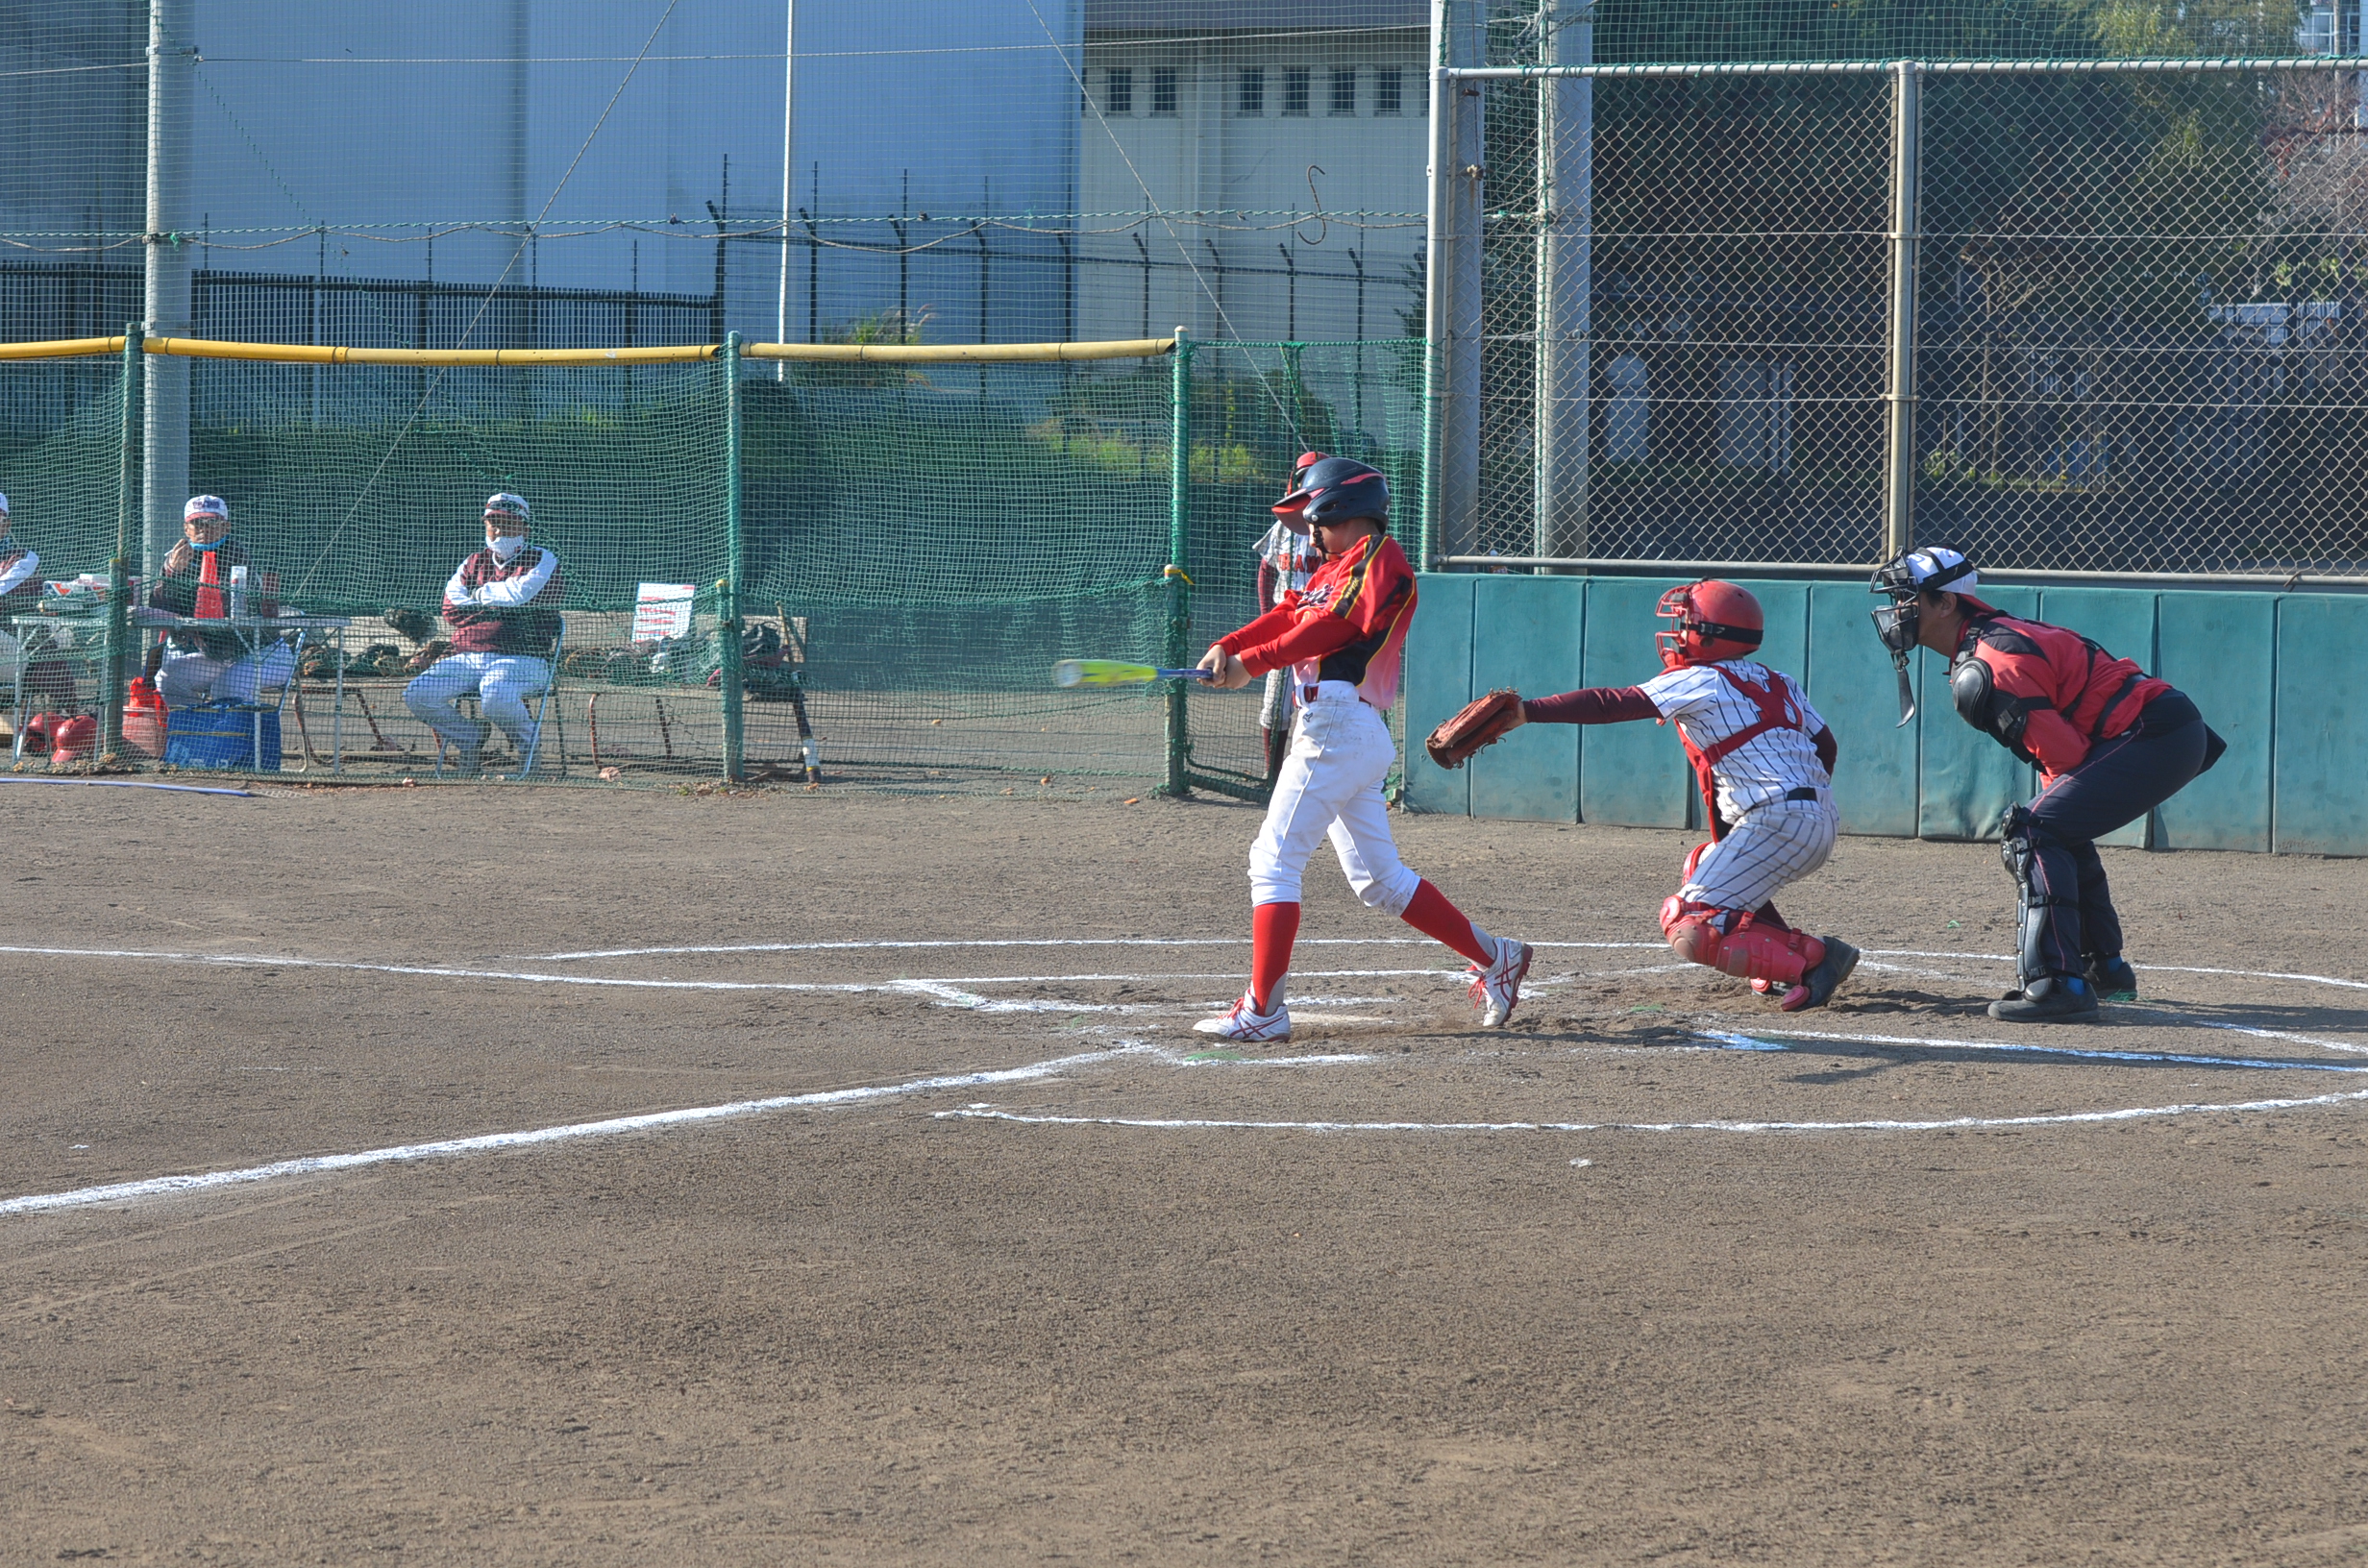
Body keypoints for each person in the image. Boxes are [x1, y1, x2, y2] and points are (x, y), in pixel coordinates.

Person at [1192, 456, 1532, 1042]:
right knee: (1380, 880)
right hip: (1343, 730)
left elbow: (1334, 628)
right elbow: (1288, 614)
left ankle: (1263, 1011)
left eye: (1315, 521)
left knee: (1273, 862)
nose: (1311, 535)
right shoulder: (1333, 569)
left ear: (1339, 506)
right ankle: (1496, 956)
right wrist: (1230, 645)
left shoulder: (1380, 556)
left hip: (1338, 726)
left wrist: (1254, 662)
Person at [1870, 546, 2225, 1023]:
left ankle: (2058, 985)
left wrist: (2045, 821)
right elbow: (2059, 759)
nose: (1896, 610)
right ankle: (2104, 970)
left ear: (1947, 603)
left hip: (2153, 734)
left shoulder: (1991, 660)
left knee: (2031, 832)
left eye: (1906, 598)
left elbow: (2065, 756)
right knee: (2055, 828)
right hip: (2164, 730)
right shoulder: (1990, 639)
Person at [1489, 580, 1860, 1012]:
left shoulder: (1700, 678)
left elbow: (1611, 703)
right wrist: (1803, 800)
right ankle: (1779, 955)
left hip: (1780, 820)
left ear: (1710, 635)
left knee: (1688, 924)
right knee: (1702, 863)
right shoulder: (1780, 681)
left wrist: (1529, 711)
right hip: (1815, 816)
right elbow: (1826, 746)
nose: (1678, 633)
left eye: (1686, 624)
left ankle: (1814, 957)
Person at [404, 492, 563, 775]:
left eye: (507, 523)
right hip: (467, 656)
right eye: (492, 523)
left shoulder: (543, 558)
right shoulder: (473, 561)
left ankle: (529, 753)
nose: (498, 530)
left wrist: (476, 597)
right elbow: (450, 608)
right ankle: (469, 738)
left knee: (495, 693)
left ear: (525, 528)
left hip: (525, 658)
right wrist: (498, 603)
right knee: (418, 693)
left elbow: (521, 595)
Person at [148, 495, 293, 706]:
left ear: (226, 527)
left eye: (212, 522)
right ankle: (196, 726)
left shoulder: (237, 555)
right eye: (198, 523)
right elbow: (159, 611)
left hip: (262, 653)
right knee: (169, 677)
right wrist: (172, 573)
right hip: (216, 656)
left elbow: (235, 607)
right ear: (186, 528)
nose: (205, 529)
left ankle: (238, 729)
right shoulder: (177, 558)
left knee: (227, 686)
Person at [1253, 453, 1327, 783]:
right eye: (1302, 478)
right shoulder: (1282, 527)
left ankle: (1309, 772)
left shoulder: (1331, 526)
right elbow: (1266, 569)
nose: (1306, 484)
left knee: (1315, 703)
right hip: (1283, 624)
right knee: (1274, 705)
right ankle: (1272, 773)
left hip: (1318, 626)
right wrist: (1265, 616)